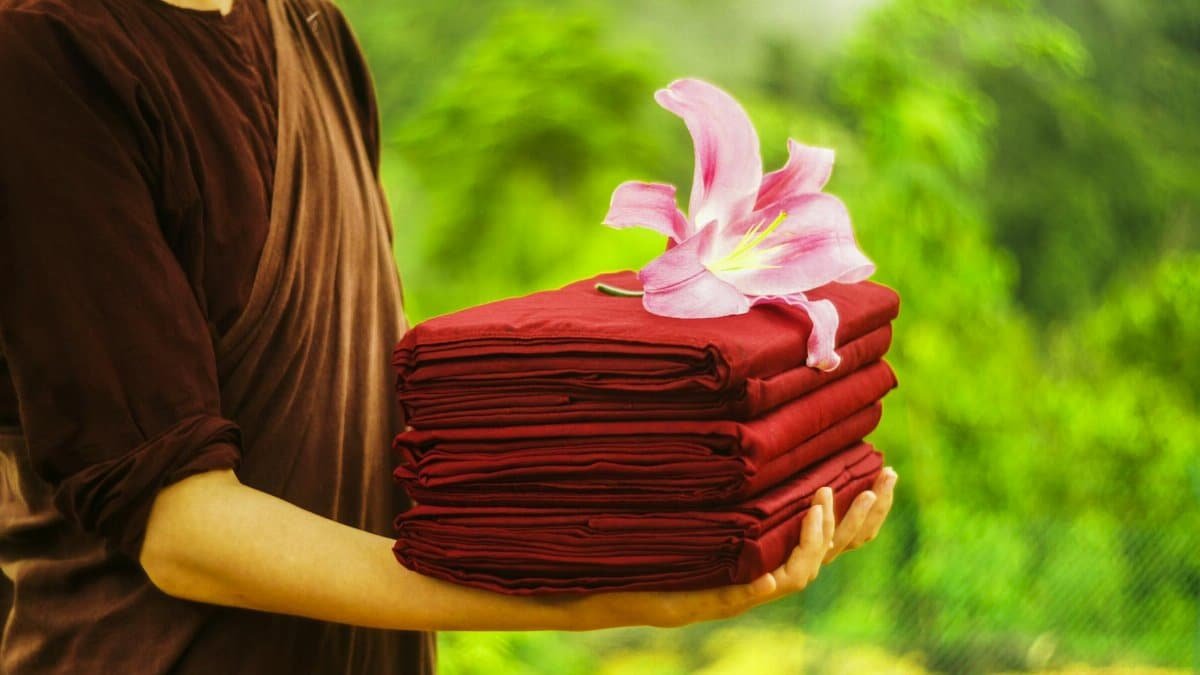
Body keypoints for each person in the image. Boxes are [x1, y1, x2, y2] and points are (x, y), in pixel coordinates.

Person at [0, 0, 899, 672]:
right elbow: (180, 526)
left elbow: (380, 416)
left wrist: (681, 502)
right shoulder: (40, 52)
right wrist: (589, 602)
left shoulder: (304, 24)